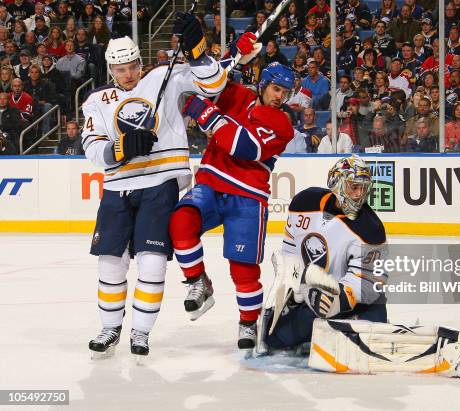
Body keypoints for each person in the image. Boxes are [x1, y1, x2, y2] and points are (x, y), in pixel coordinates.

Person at [82, 12, 233, 359]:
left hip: (160, 183)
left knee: (151, 261)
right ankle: (109, 329)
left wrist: (196, 53)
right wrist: (120, 148)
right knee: (110, 262)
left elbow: (215, 85)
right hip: (118, 187)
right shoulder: (96, 101)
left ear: (140, 60)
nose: (130, 74)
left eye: (133, 65)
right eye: (121, 70)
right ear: (111, 70)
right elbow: (92, 149)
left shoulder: (168, 76)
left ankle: (140, 332)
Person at [168, 57, 296, 350]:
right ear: (263, 85)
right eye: (276, 89)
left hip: (248, 195)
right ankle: (198, 281)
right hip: (211, 183)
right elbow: (204, 84)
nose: (280, 97)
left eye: (284, 93)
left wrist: (211, 117)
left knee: (243, 270)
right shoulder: (238, 94)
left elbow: (244, 147)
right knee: (180, 222)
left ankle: (249, 322)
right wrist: (232, 54)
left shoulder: (281, 124)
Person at [258, 156, 388, 351]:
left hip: (353, 302)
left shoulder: (371, 228)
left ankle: (345, 323)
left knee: (374, 336)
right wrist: (295, 287)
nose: (359, 194)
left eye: (364, 188)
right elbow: (290, 250)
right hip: (311, 299)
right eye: (354, 187)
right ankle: (330, 327)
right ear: (336, 183)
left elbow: (370, 281)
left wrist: (341, 300)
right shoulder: (304, 202)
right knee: (273, 340)